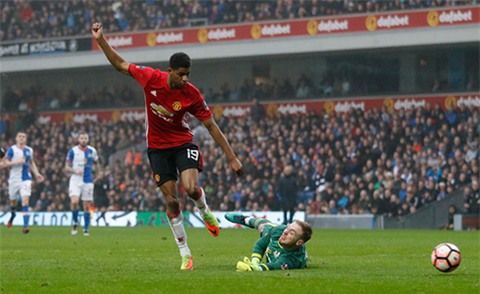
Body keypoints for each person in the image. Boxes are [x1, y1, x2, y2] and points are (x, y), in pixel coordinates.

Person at [91, 22, 243, 270]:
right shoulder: (151, 78)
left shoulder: (192, 94)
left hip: (182, 143)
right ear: (170, 71)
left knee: (192, 188)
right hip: (157, 148)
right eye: (181, 74)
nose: (185, 78)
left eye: (188, 74)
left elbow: (211, 125)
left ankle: (204, 210)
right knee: (172, 202)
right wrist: (101, 40)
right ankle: (185, 253)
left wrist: (232, 157)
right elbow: (120, 64)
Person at [224, 213, 312, 271]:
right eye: (287, 228)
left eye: (291, 233)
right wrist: (255, 260)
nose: (285, 232)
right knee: (263, 227)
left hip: (288, 252)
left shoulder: (293, 260)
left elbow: (275, 266)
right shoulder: (279, 231)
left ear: (299, 243)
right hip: (272, 230)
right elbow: (260, 244)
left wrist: (256, 268)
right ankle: (246, 219)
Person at [0, 131, 44, 233]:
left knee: (25, 201)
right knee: (13, 202)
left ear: (26, 139)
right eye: (19, 136)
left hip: (26, 179)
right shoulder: (12, 150)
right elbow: (4, 163)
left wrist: (37, 173)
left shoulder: (29, 150)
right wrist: (17, 162)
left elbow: (31, 162)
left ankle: (25, 226)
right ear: (16, 138)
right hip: (14, 180)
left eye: (23, 136)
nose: (21, 138)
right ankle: (13, 213)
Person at [65, 131, 101, 236]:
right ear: (78, 139)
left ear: (88, 140)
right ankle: (75, 222)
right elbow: (66, 167)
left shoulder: (92, 151)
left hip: (88, 180)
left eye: (85, 138)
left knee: (87, 205)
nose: (83, 140)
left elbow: (97, 162)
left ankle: (86, 228)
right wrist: (75, 171)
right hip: (75, 179)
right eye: (82, 138)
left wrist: (98, 174)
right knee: (75, 201)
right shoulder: (72, 151)